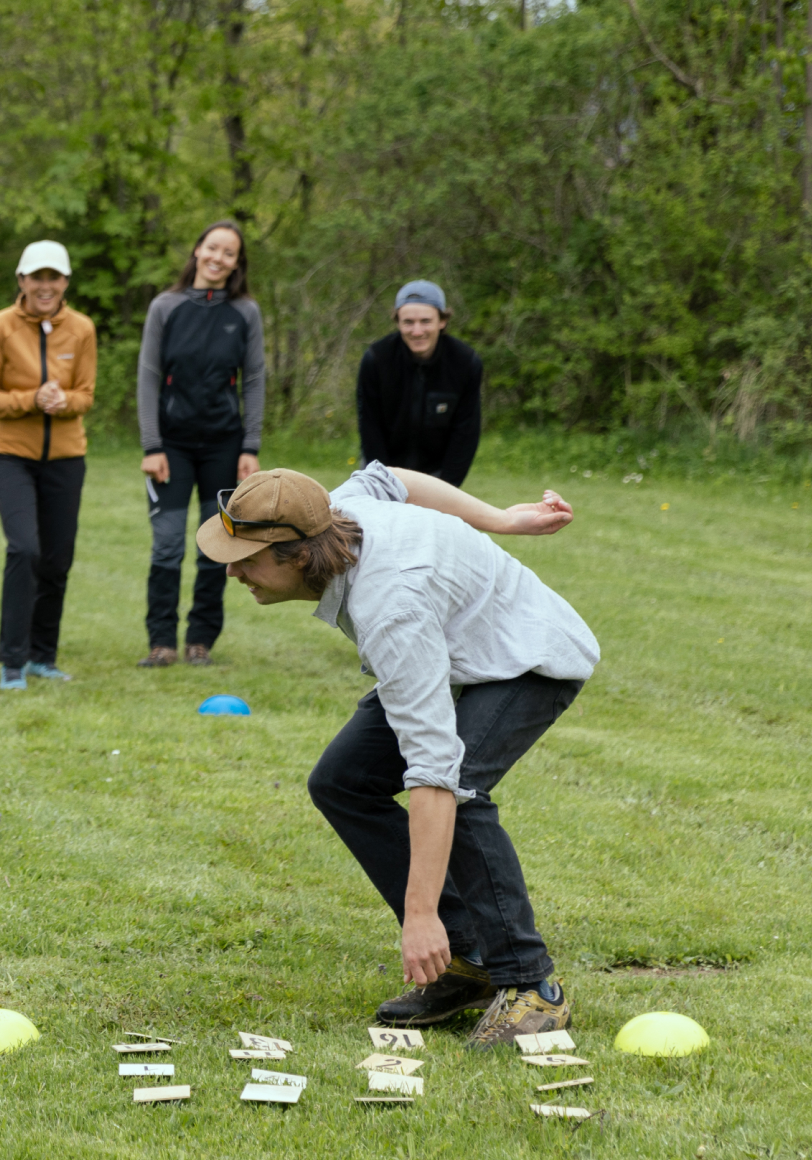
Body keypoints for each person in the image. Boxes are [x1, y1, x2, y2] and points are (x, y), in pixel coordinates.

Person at [200, 463, 594, 1045]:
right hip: (451, 648)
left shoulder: (392, 609)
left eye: (247, 558)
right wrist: (500, 519)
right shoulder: (328, 511)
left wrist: (419, 915)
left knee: (460, 787)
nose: (232, 571)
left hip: (523, 658)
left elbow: (433, 775)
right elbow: (390, 477)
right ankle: (471, 961)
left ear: (300, 555)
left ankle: (531, 985)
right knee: (344, 781)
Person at [134, 220, 266, 668]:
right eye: (213, 248)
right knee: (168, 543)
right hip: (170, 447)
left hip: (224, 447)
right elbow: (148, 377)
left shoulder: (245, 312)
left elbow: (253, 380)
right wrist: (152, 446)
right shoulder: (164, 307)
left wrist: (250, 445)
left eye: (229, 253)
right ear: (197, 251)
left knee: (216, 544)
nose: (218, 258)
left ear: (236, 263)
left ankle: (200, 642)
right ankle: (161, 642)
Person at [0, 241, 96, 691]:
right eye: (36, 277)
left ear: (65, 282)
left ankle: (43, 656)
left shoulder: (81, 328)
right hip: (10, 456)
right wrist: (30, 400)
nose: (46, 286)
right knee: (24, 550)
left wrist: (64, 402)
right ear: (22, 280)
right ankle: (12, 660)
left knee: (57, 559)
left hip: (66, 458)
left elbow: (86, 394)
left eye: (54, 277)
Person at [357, 280, 484, 485]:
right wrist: (382, 481)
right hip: (382, 470)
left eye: (425, 321)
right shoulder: (376, 359)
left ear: (442, 321)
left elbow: (465, 434)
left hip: (437, 475)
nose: (417, 331)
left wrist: (447, 488)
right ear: (398, 322)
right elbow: (370, 428)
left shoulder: (466, 363)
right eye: (408, 322)